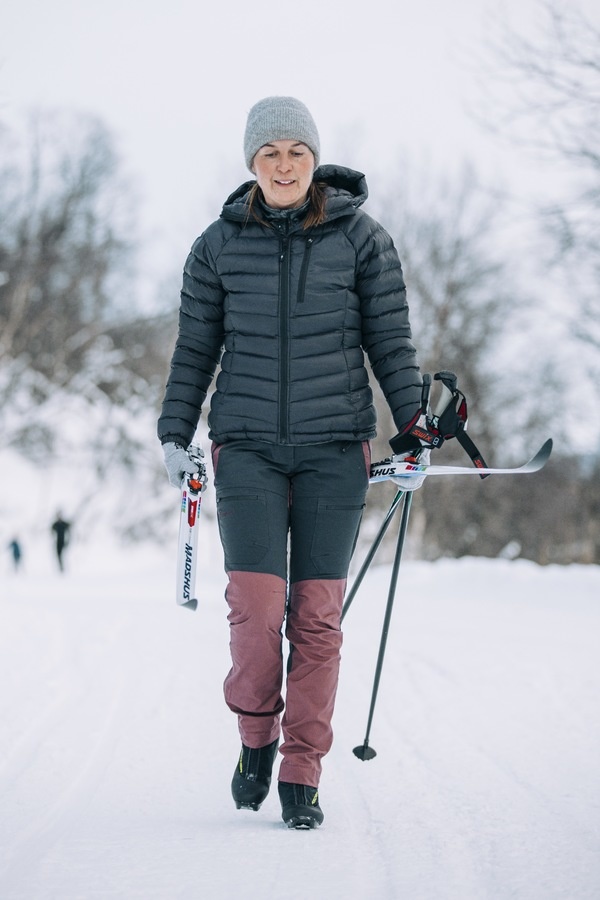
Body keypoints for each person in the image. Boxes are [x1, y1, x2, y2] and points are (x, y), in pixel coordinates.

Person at [158, 96, 427, 829]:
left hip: (335, 447)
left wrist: (414, 426)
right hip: (244, 444)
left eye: (296, 153)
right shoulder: (217, 245)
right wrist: (175, 430)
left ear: (316, 161)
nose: (284, 165)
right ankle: (255, 736)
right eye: (270, 153)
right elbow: (194, 347)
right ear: (252, 162)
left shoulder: (362, 240)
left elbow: (391, 344)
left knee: (316, 619)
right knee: (255, 609)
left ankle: (301, 771)